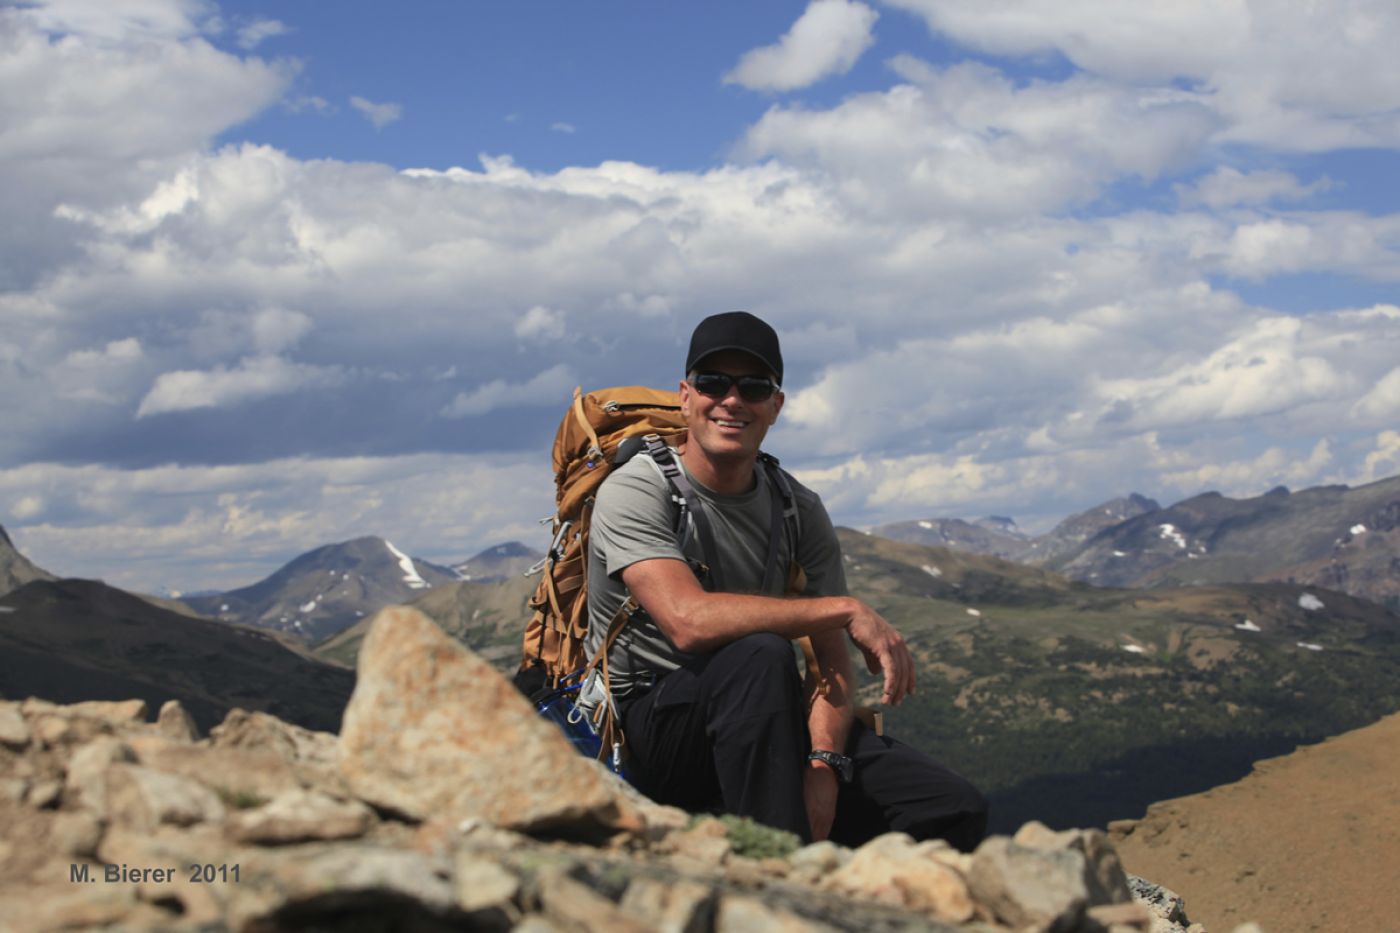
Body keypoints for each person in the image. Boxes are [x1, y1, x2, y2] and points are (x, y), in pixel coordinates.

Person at [584, 311, 987, 850]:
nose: (732, 400)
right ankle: (782, 881)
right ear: (685, 396)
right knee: (760, 654)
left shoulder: (796, 508)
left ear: (775, 405)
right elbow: (687, 622)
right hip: (653, 732)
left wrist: (824, 767)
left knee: (951, 808)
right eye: (712, 383)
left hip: (763, 719)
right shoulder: (637, 490)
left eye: (753, 387)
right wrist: (844, 610)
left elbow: (830, 665)